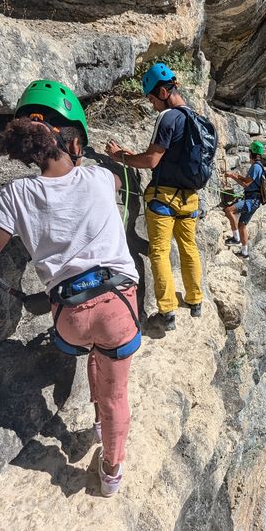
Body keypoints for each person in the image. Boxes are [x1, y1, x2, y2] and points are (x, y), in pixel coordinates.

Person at [0, 80, 139, 497]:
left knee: (93, 350)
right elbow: (92, 182)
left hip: (69, 315)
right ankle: (110, 472)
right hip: (117, 306)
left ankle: (96, 422)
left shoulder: (14, 194)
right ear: (72, 139)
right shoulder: (102, 178)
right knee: (117, 394)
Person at [105, 63, 203, 332]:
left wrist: (120, 157)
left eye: (151, 99)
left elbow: (151, 160)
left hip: (164, 198)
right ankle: (195, 301)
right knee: (189, 248)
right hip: (190, 199)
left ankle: (167, 312)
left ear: (161, 91)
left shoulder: (168, 117)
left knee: (159, 252)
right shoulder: (196, 117)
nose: (151, 106)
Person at [223, 141, 266, 259]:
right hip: (254, 200)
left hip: (251, 200)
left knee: (229, 210)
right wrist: (235, 176)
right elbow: (247, 182)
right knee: (242, 224)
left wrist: (234, 176)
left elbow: (247, 183)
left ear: (251, 153)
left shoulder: (256, 166)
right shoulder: (259, 166)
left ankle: (236, 238)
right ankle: (244, 253)